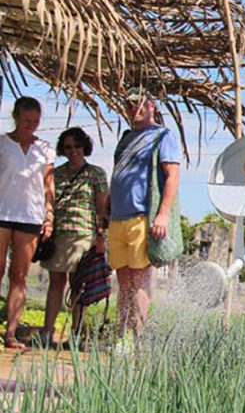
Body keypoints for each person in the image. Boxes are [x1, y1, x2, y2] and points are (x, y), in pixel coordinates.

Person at [107, 88, 180, 343]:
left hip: (141, 217)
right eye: (128, 104)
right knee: (123, 280)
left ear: (151, 105)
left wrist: (162, 215)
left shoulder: (162, 136)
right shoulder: (127, 137)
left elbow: (172, 175)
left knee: (139, 281)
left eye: (138, 103)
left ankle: (138, 338)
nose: (132, 108)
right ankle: (120, 336)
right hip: (117, 218)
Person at [41, 127, 109, 344]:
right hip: (59, 235)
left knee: (78, 287)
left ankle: (76, 332)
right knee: (56, 284)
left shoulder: (96, 173)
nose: (73, 151)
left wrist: (100, 236)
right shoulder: (56, 174)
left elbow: (101, 208)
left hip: (84, 236)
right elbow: (48, 202)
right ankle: (47, 331)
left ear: (84, 147)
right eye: (68, 147)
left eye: (77, 146)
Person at [0, 97, 55, 351]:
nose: (30, 126)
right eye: (26, 121)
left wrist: (49, 215)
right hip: (2, 212)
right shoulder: (2, 143)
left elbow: (48, 186)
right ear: (15, 118)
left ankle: (11, 334)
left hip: (30, 217)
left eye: (35, 122)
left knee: (19, 276)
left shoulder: (44, 149)